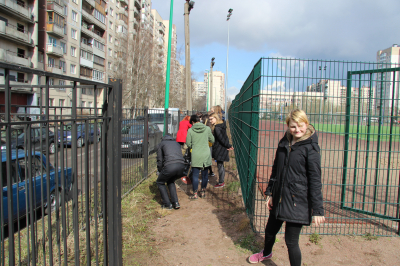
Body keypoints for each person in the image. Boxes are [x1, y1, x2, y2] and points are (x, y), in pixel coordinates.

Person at [248, 109, 325, 265]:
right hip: (280, 197)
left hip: (298, 201)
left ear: (306, 124)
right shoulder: (285, 142)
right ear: (288, 126)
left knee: (291, 241)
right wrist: (270, 192)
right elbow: (276, 168)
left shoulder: (311, 148)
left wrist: (317, 210)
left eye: (300, 126)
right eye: (293, 126)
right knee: (269, 231)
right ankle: (266, 253)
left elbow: (315, 180)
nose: (297, 130)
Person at [186, 114, 214, 199]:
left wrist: (193, 147)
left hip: (196, 154)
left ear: (193, 122)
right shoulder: (207, 129)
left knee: (195, 175)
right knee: (205, 175)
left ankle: (194, 194)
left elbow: (188, 143)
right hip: (205, 154)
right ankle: (202, 192)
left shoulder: (190, 130)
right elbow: (212, 140)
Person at [156, 134, 186, 210]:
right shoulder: (176, 143)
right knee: (171, 181)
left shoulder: (161, 144)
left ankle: (167, 204)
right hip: (182, 166)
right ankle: (175, 202)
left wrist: (160, 170)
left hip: (170, 166)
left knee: (160, 182)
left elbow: (159, 160)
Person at [209, 113, 233, 188]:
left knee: (220, 166)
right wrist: (227, 145)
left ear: (216, 118)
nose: (210, 121)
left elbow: (221, 139)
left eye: (211, 119)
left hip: (219, 149)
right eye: (209, 119)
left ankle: (221, 182)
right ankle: (221, 181)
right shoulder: (221, 126)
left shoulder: (217, 128)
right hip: (222, 148)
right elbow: (225, 137)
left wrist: (228, 145)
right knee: (221, 165)